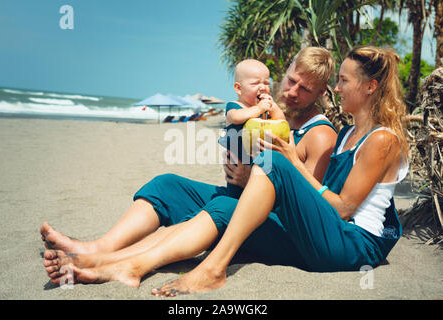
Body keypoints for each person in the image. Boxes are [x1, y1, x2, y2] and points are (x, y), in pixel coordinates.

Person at [41, 47, 337, 287]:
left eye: (306, 89)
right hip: (238, 197)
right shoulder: (270, 112)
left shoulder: (319, 134)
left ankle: (128, 267)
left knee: (220, 205)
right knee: (166, 184)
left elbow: (304, 208)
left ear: (321, 93)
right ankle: (97, 248)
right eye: (291, 80)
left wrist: (251, 179)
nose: (293, 91)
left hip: (274, 225)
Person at [151, 45, 409, 296]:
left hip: (356, 245)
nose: (337, 88)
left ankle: (213, 268)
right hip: (332, 233)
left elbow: (343, 208)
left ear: (370, 87)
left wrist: (292, 163)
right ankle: (122, 259)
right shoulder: (347, 134)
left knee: (275, 164)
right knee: (196, 196)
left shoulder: (382, 140)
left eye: (343, 81)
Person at [218, 59, 285, 198]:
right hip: (238, 166)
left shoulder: (265, 109)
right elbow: (236, 117)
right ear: (238, 88)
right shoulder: (234, 106)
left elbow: (282, 122)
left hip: (259, 164)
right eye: (255, 83)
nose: (262, 87)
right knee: (237, 198)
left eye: (266, 83)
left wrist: (274, 107)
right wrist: (259, 108)